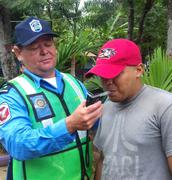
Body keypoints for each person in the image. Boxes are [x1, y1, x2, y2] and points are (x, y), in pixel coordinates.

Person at [0, 16, 103, 180]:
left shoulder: (73, 82)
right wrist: (69, 125)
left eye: (48, 44)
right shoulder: (12, 93)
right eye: (34, 47)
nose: (44, 51)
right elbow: (18, 144)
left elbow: (96, 122)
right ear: (18, 53)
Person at [85, 38, 172, 180]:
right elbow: (104, 159)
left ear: (138, 70)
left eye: (115, 74)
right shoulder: (106, 106)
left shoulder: (167, 107)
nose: (108, 82)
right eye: (103, 76)